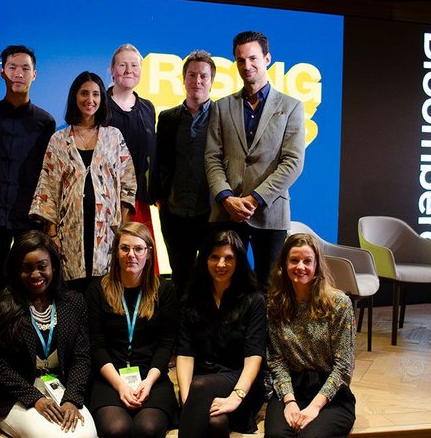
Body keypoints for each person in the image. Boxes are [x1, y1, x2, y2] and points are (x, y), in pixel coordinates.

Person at [0, 230, 97, 438]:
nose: (35, 274)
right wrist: (34, 398)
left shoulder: (73, 303)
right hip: (17, 395)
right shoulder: (2, 305)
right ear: (17, 271)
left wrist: (72, 400)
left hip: (61, 389)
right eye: (27, 268)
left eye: (42, 266)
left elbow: (82, 357)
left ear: (54, 267)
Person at [205, 30, 305, 288]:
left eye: (252, 58)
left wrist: (255, 199)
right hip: (228, 211)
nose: (246, 65)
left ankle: (261, 332)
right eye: (240, 60)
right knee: (225, 286)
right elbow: (212, 157)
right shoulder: (221, 106)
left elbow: (293, 162)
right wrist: (226, 198)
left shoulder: (292, 107)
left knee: (268, 288)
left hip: (270, 212)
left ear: (267, 58)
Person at [30, 71, 136, 294]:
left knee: (105, 293)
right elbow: (48, 188)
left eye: (96, 94)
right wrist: (52, 235)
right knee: (72, 293)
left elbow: (128, 183)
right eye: (84, 93)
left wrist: (122, 230)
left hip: (108, 234)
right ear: (74, 97)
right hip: (69, 234)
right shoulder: (59, 140)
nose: (90, 100)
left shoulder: (113, 137)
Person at [85, 222, 179, 438]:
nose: (131, 255)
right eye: (125, 248)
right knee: (117, 430)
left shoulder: (164, 290)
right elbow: (96, 344)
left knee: (148, 430)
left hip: (152, 377)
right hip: (109, 378)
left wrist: (147, 382)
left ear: (149, 252)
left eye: (138, 249)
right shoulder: (97, 289)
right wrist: (120, 385)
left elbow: (166, 344)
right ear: (116, 252)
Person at [174, 230, 267, 438]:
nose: (221, 264)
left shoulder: (254, 300)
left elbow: (253, 356)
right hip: (202, 385)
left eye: (228, 258)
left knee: (201, 386)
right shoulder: (190, 300)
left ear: (238, 261)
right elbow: (185, 353)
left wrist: (236, 396)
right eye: (214, 257)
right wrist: (187, 399)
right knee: (215, 423)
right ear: (204, 260)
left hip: (241, 382)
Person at [264, 232, 356, 438]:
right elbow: (276, 359)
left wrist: (314, 407)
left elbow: (344, 367)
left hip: (331, 393)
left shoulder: (339, 304)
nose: (300, 267)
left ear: (317, 265)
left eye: (307, 261)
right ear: (284, 265)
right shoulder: (275, 304)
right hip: (291, 387)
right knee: (277, 437)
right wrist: (289, 401)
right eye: (294, 261)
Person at [0, 44, 56, 297]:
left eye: (25, 68)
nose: (18, 74)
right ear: (2, 72)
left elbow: (48, 174)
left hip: (29, 217)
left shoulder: (45, 122)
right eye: (12, 67)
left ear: (34, 75)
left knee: (30, 281)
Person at [153, 50, 216, 297]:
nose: (197, 81)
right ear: (184, 79)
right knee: (180, 278)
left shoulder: (222, 116)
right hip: (174, 212)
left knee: (210, 278)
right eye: (192, 75)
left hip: (210, 213)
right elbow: (160, 160)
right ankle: (180, 333)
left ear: (211, 81)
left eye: (203, 76)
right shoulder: (167, 117)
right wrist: (160, 197)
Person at [107, 44, 159, 272]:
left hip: (138, 202)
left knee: (141, 269)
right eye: (122, 65)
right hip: (105, 203)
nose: (129, 70)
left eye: (134, 65)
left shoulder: (148, 108)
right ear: (112, 69)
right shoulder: (99, 105)